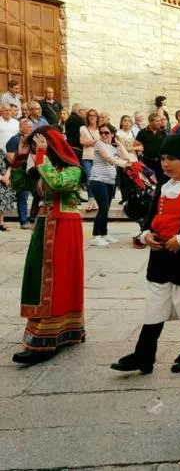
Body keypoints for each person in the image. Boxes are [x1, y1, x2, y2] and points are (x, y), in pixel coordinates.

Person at [111, 134, 180, 374]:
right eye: (163, 159)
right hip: (160, 257)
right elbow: (151, 217)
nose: (165, 164)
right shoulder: (163, 186)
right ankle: (144, 354)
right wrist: (146, 233)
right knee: (155, 305)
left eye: (171, 159)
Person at [9, 127, 84, 364]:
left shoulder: (72, 169)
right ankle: (47, 330)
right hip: (45, 223)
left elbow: (58, 183)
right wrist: (21, 157)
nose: (35, 152)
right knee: (39, 276)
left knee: (56, 278)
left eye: (39, 146)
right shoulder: (41, 166)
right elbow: (18, 185)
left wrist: (41, 156)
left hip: (65, 225)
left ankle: (49, 337)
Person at [90, 124, 132, 247]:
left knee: (106, 208)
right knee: (103, 207)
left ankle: (104, 233)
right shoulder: (99, 144)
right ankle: (96, 235)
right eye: (101, 132)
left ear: (112, 134)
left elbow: (126, 156)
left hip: (110, 180)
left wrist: (118, 143)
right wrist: (124, 165)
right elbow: (108, 158)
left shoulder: (112, 147)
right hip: (98, 180)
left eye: (107, 132)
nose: (104, 135)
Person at [6, 118, 34, 228]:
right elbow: (10, 157)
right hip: (21, 173)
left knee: (36, 196)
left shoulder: (32, 139)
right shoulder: (14, 140)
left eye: (32, 126)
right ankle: (23, 221)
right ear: (21, 127)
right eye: (29, 126)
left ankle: (32, 218)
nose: (31, 128)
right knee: (22, 197)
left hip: (32, 172)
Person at [136, 113, 169, 183]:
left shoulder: (163, 132)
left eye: (160, 121)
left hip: (161, 162)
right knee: (150, 183)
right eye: (156, 121)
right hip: (147, 162)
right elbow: (137, 146)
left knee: (162, 182)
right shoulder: (142, 132)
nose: (159, 123)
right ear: (150, 122)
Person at [80, 108, 101, 211]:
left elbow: (104, 143)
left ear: (97, 117)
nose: (92, 117)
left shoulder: (100, 129)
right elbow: (83, 142)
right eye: (90, 115)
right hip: (87, 157)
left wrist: (91, 142)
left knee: (99, 179)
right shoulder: (83, 128)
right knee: (89, 179)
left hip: (99, 158)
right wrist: (96, 141)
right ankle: (91, 200)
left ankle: (97, 200)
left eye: (94, 115)